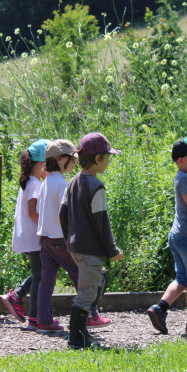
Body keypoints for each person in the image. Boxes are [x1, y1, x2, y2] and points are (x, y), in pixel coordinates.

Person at [35, 139, 111, 333]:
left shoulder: (45, 182)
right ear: (61, 160)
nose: (75, 163)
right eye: (72, 160)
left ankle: (43, 320)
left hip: (44, 238)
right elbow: (69, 212)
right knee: (82, 275)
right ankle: (91, 315)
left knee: (46, 282)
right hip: (60, 239)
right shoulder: (62, 183)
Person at [60, 132, 124, 349]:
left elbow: (63, 213)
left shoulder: (72, 183)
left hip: (75, 247)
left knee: (96, 281)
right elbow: (102, 221)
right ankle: (76, 339)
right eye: (108, 157)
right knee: (87, 293)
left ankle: (83, 332)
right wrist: (112, 248)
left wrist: (69, 238)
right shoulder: (96, 186)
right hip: (90, 249)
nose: (108, 161)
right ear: (98, 159)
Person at [146, 136, 187, 335]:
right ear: (180, 161)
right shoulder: (183, 178)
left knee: (182, 278)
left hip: (180, 235)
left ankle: (160, 308)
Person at [0, 139, 49, 330]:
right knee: (41, 275)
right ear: (41, 164)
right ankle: (34, 316)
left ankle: (16, 296)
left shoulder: (29, 181)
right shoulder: (35, 184)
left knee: (41, 272)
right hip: (34, 236)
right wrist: (46, 228)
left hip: (28, 236)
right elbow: (32, 212)